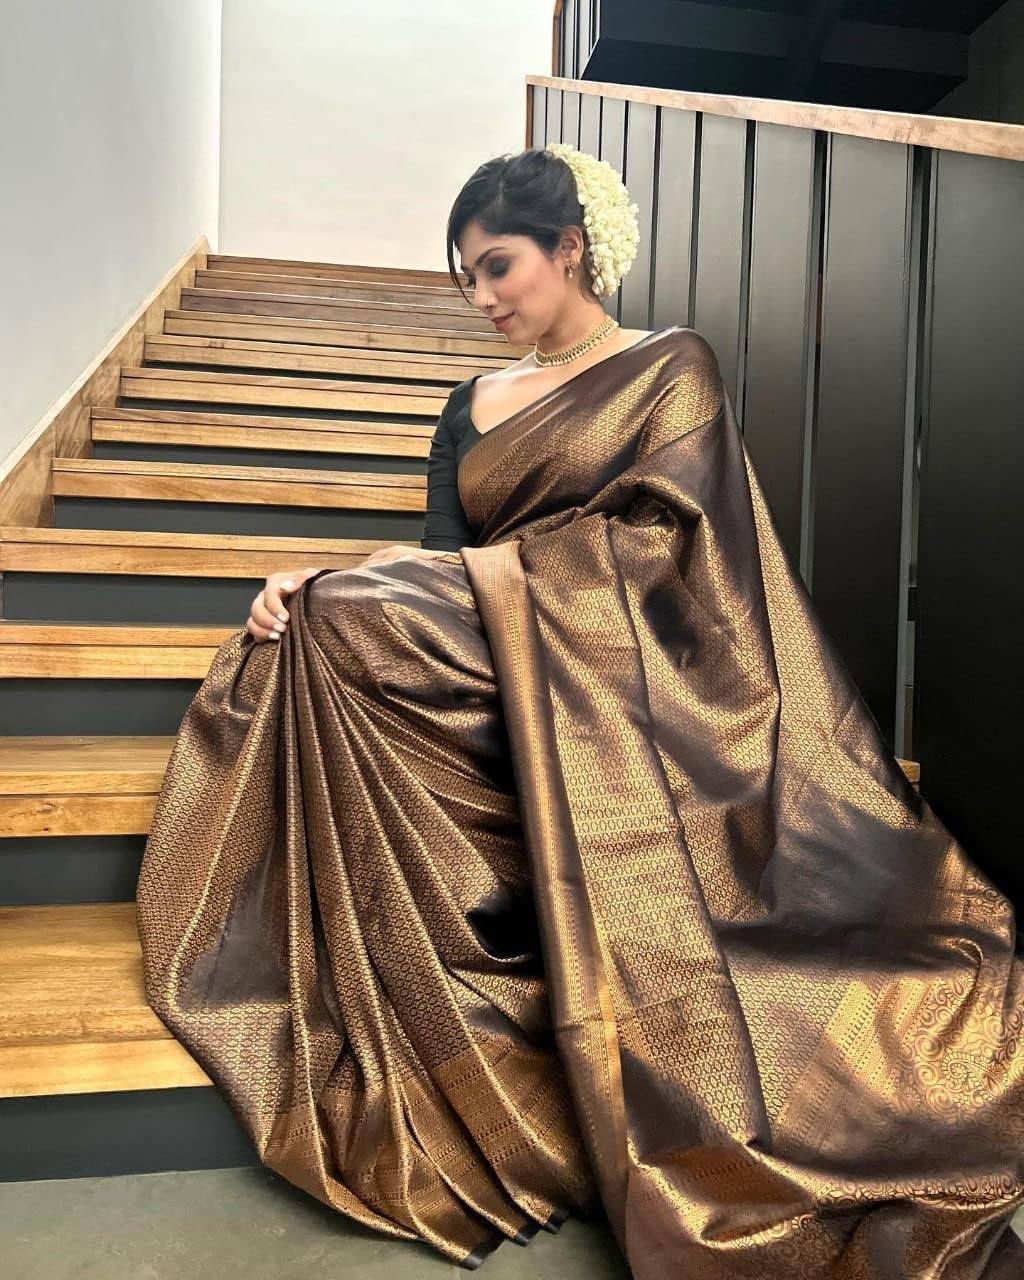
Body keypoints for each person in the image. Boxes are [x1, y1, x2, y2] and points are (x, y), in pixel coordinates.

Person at [137, 145, 1024, 1277]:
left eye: (497, 265)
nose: (482, 296)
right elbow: (443, 556)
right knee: (311, 621)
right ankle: (402, 953)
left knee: (349, 611)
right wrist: (325, 580)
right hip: (491, 632)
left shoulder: (668, 365)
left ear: (569, 249)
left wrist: (495, 591)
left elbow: (678, 546)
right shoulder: (469, 404)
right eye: (465, 277)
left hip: (628, 658)